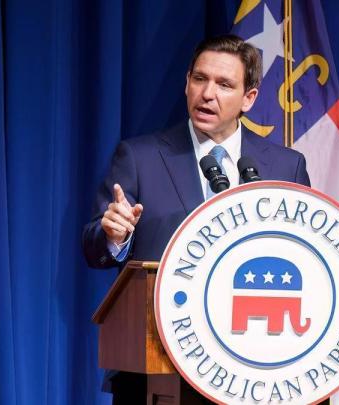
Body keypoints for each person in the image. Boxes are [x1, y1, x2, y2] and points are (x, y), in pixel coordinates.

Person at [82, 34, 311, 403]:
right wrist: (114, 236)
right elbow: (94, 249)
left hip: (258, 372)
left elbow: (306, 257)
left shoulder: (286, 167)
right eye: (200, 79)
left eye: (224, 84)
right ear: (187, 82)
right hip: (156, 367)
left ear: (249, 98)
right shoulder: (140, 157)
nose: (207, 94)